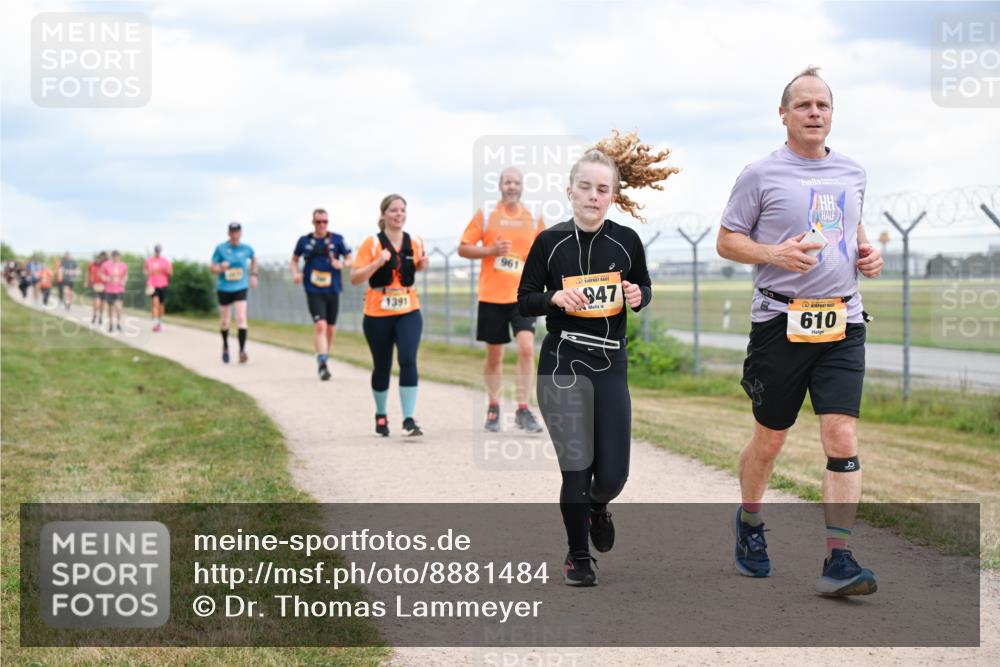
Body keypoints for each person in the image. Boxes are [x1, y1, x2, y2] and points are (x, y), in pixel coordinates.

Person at [716, 66, 884, 596]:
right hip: (779, 322)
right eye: (804, 105)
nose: (815, 113)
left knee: (842, 434)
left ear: (832, 115)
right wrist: (772, 253)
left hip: (843, 319)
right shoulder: (760, 174)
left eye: (823, 106)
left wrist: (868, 252)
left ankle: (839, 558)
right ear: (783, 114)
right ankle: (749, 522)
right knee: (770, 439)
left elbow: (850, 229)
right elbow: (726, 240)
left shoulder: (853, 172)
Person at [518, 131, 678, 586]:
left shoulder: (626, 241)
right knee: (576, 466)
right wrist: (555, 298)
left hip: (610, 363)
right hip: (563, 361)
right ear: (570, 191)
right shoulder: (549, 242)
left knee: (610, 476)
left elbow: (644, 288)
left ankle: (598, 507)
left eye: (602, 189)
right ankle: (577, 557)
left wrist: (636, 294)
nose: (593, 196)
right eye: (585, 187)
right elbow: (524, 299)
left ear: (613, 196)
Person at [459, 167, 546, 433]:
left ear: (522, 187)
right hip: (492, 295)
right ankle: (494, 405)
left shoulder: (534, 217)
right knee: (494, 355)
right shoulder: (486, 215)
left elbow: (546, 251)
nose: (512, 186)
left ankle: (523, 408)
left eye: (516, 182)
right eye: (507, 182)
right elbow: (463, 247)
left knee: (527, 348)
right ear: (500, 186)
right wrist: (491, 250)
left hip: (523, 295)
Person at [350, 194, 429, 437]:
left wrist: (421, 265)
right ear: (383, 214)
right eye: (394, 210)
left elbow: (410, 267)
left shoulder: (414, 241)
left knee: (407, 359)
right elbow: (355, 278)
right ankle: (381, 414)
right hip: (377, 312)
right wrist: (376, 262)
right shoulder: (371, 243)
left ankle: (408, 419)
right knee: (382, 365)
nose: (399, 214)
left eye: (402, 210)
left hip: (408, 308)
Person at [291, 208, 352, 380]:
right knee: (321, 326)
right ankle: (323, 363)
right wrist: (295, 273)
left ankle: (323, 354)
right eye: (319, 222)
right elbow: (294, 260)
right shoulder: (304, 241)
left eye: (325, 221)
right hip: (313, 289)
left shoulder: (337, 239)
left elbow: (349, 259)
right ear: (313, 222)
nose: (322, 225)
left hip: (333, 289)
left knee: (331, 328)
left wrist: (342, 264)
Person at [211, 222, 257, 364]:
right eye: (232, 232)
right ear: (229, 233)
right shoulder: (221, 249)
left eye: (237, 232)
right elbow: (212, 268)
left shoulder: (247, 248)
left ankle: (242, 350)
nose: (235, 235)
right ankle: (225, 346)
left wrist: (254, 274)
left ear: (241, 233)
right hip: (224, 288)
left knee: (241, 317)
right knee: (225, 321)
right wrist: (220, 268)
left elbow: (254, 259)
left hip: (240, 287)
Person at [144, 244, 173, 332]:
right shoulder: (149, 260)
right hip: (152, 284)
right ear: (154, 251)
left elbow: (170, 272)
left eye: (159, 250)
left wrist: (166, 270)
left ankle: (159, 321)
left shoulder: (165, 261)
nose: (157, 252)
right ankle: (155, 323)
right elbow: (145, 271)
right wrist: (149, 272)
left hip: (163, 284)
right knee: (155, 302)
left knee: (161, 305)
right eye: (156, 250)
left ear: (160, 251)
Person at [101, 250, 128, 332]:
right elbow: (102, 274)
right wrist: (106, 278)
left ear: (119, 257)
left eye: (117, 256)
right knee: (110, 308)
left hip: (119, 289)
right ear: (112, 257)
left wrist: (124, 281)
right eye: (114, 256)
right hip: (109, 290)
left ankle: (119, 323)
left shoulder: (123, 265)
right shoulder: (105, 265)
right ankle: (110, 325)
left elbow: (126, 275)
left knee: (119, 307)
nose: (116, 258)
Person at [84, 251, 108, 325]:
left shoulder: (107, 265)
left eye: (104, 257)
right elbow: (88, 272)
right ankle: (95, 314)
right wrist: (86, 281)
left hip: (105, 286)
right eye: (101, 257)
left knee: (102, 303)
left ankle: (100, 317)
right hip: (95, 285)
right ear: (99, 257)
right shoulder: (93, 264)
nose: (102, 259)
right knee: (96, 301)